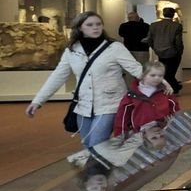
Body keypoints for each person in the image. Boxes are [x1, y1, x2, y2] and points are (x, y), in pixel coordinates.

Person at [28, 12, 147, 149]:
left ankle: (100, 162)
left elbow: (136, 68)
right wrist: (38, 100)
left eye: (98, 24)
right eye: (89, 25)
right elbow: (58, 76)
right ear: (80, 28)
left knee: (96, 143)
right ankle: (105, 162)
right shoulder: (72, 50)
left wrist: (159, 83)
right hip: (83, 105)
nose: (95, 27)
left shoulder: (114, 47)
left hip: (110, 104)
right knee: (87, 145)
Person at [112, 61, 180, 138]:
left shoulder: (166, 93)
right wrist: (120, 138)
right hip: (139, 134)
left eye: (160, 76)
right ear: (143, 75)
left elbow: (176, 112)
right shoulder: (131, 96)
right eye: (153, 75)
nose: (157, 78)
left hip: (163, 133)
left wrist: (175, 129)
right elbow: (122, 119)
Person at [147, 7, 184, 93]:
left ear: (163, 14)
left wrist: (155, 48)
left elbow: (149, 39)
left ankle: (175, 87)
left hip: (159, 52)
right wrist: (180, 51)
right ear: (173, 15)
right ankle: (175, 87)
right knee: (170, 72)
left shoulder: (154, 25)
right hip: (172, 52)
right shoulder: (177, 25)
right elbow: (178, 41)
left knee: (166, 71)